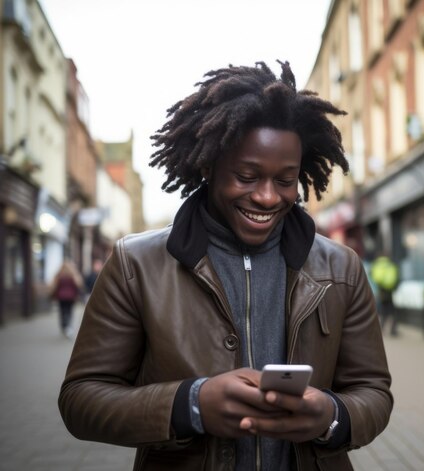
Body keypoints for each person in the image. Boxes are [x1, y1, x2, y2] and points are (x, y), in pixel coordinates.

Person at [58, 61, 393, 471]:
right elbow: (81, 399)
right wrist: (190, 404)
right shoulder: (136, 264)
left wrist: (333, 417)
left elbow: (373, 391)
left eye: (285, 180)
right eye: (247, 176)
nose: (268, 197)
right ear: (207, 167)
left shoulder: (342, 268)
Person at [49, 259, 84, 338]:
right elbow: (78, 285)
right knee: (69, 311)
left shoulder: (59, 275)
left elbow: (54, 286)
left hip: (61, 297)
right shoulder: (73, 275)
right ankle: (68, 326)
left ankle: (64, 325)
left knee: (62, 311)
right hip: (71, 297)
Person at [370, 253, 400, 337]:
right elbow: (397, 276)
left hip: (381, 288)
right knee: (391, 309)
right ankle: (393, 329)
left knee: (383, 308)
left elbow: (372, 275)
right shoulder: (390, 264)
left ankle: (381, 327)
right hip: (390, 289)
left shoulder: (377, 264)